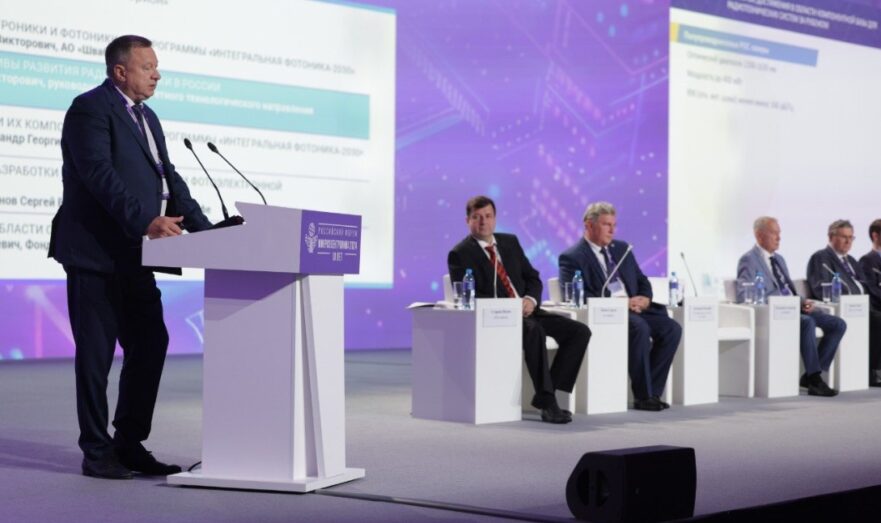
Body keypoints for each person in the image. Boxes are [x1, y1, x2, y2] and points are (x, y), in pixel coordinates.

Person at [48, 35, 213, 479]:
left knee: (150, 342)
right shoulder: (89, 109)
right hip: (95, 254)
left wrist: (208, 232)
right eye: (148, 67)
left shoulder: (147, 116)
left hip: (136, 255)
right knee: (96, 356)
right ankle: (96, 451)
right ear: (120, 72)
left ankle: (129, 442)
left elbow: (168, 179)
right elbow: (98, 175)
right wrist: (145, 221)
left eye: (156, 67)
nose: (157, 75)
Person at [448, 196, 590, 424]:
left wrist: (531, 300)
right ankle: (549, 405)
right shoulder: (460, 253)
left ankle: (547, 394)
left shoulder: (509, 242)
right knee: (534, 331)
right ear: (468, 221)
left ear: (495, 218)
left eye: (488, 216)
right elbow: (469, 295)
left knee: (579, 332)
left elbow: (532, 277)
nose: (483, 222)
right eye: (477, 217)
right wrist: (510, 307)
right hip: (500, 317)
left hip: (529, 311)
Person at [559, 202, 681, 411]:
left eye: (614, 225)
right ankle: (643, 396)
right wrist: (621, 303)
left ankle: (653, 392)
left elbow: (641, 279)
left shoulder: (622, 249)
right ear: (589, 225)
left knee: (672, 328)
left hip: (636, 309)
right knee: (639, 328)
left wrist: (645, 298)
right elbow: (575, 295)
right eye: (606, 225)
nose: (612, 230)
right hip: (608, 313)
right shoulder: (572, 257)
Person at [738, 217, 844, 396]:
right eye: (774, 233)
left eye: (779, 233)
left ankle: (810, 375)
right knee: (807, 323)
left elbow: (788, 290)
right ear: (759, 235)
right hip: (775, 312)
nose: (779, 238)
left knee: (838, 324)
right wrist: (785, 303)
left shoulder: (779, 259)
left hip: (794, 308)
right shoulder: (748, 260)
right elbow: (745, 294)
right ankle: (815, 379)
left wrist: (802, 302)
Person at [807, 219, 881, 387]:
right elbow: (821, 288)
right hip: (843, 308)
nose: (848, 241)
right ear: (831, 237)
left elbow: (863, 285)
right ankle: (872, 371)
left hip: (862, 308)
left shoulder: (851, 261)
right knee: (879, 321)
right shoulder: (821, 258)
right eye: (843, 237)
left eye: (850, 237)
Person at [859, 219, 881, 386]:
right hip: (875, 307)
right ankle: (874, 370)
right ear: (875, 236)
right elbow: (871, 289)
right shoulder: (867, 261)